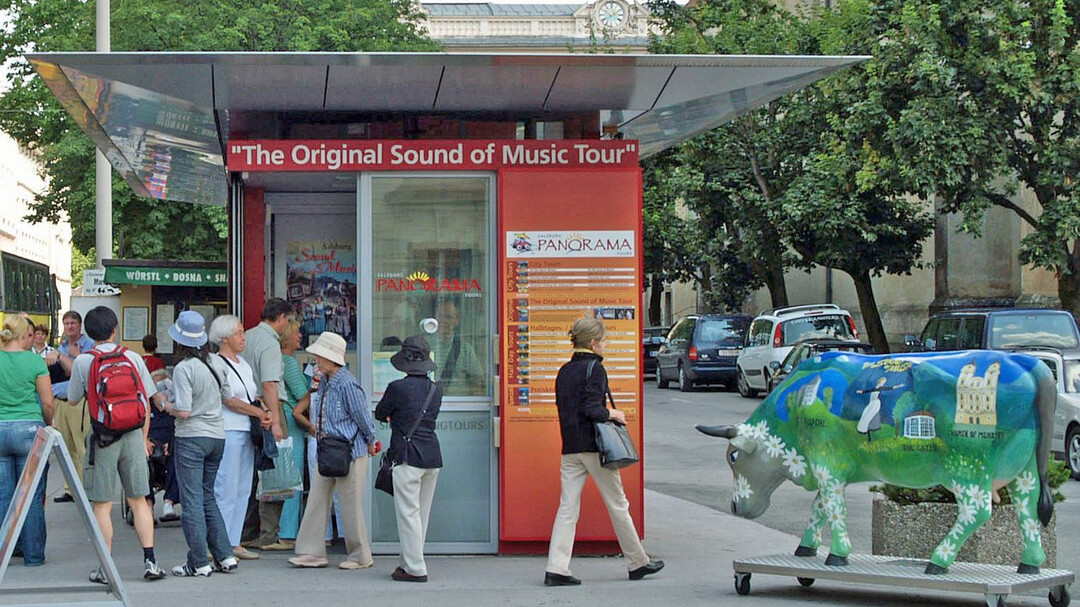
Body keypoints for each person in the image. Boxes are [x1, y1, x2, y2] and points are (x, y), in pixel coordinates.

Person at [543, 318, 663, 587]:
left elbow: (566, 409)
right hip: (596, 448)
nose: (606, 344)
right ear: (593, 343)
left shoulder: (564, 370)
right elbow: (592, 409)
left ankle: (556, 568)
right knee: (618, 504)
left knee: (567, 508)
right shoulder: (595, 369)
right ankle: (637, 562)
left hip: (570, 447)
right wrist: (614, 413)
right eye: (604, 340)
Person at [67, 306, 168, 582]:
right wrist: (145, 437)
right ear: (115, 329)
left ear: (88, 333)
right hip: (134, 436)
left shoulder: (84, 362)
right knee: (139, 501)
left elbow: (74, 399)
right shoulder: (133, 357)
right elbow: (148, 400)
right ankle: (150, 561)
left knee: (102, 504)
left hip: (102, 438)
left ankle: (105, 567)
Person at [288, 332, 378, 570]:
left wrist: (371, 440)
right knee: (317, 499)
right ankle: (311, 551)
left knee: (350, 505)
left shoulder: (347, 383)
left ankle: (360, 555)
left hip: (350, 451)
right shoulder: (327, 381)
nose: (317, 360)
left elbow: (362, 416)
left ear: (331, 358)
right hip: (330, 449)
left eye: (320, 356)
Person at [161, 311, 239, 577]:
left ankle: (198, 561)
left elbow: (183, 410)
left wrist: (162, 402)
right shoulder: (217, 362)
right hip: (217, 437)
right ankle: (225, 556)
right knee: (208, 497)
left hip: (191, 438)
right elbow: (228, 395)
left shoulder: (184, 368)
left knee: (191, 501)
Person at [374, 335, 443, 583]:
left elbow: (381, 412)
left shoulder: (396, 388)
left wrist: (393, 416)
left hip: (407, 456)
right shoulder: (436, 389)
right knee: (420, 515)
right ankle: (408, 561)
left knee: (408, 514)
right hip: (432, 456)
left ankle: (415, 568)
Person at [208, 314, 271, 561]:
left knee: (244, 487)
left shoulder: (243, 364)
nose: (243, 338)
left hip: (246, 429)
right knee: (225, 487)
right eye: (239, 333)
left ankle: (233, 541)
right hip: (228, 429)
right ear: (224, 338)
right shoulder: (216, 363)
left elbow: (251, 395)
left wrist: (263, 411)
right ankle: (219, 543)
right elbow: (228, 399)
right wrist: (258, 411)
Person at [0, 315, 54, 566]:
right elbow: (47, 402)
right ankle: (33, 556)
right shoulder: (35, 361)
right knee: (31, 494)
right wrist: (49, 423)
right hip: (29, 429)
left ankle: (5, 552)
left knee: (3, 494)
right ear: (24, 336)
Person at [240, 298, 289, 549]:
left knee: (249, 473)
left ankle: (246, 530)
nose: (287, 326)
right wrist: (276, 421)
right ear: (280, 317)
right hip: (268, 409)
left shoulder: (246, 337)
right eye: (287, 320)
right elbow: (270, 383)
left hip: (247, 408)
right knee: (274, 472)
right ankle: (269, 534)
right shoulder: (270, 343)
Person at [263, 319, 310, 551]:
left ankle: (281, 529)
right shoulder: (289, 363)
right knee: (294, 478)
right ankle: (289, 531)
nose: (300, 336)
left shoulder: (276, 360)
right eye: (297, 332)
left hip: (283, 419)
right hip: (292, 422)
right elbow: (301, 394)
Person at [51, 310, 94, 503]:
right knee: (66, 448)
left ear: (80, 325)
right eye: (66, 323)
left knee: (81, 446)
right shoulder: (60, 347)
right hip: (59, 399)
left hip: (78, 402)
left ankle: (86, 488)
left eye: (72, 323)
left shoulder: (88, 346)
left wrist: (65, 359)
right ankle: (70, 489)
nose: (69, 327)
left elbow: (79, 374)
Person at [142, 334, 179, 521]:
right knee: (143, 460)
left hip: (169, 443)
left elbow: (179, 427)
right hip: (150, 443)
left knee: (176, 456)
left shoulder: (172, 408)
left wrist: (171, 444)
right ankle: (147, 504)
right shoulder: (145, 406)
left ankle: (169, 502)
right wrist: (144, 440)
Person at [431, 299, 484, 396]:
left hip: (457, 403)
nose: (444, 321)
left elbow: (477, 383)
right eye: (441, 317)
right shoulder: (425, 346)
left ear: (456, 321)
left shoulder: (466, 350)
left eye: (449, 317)